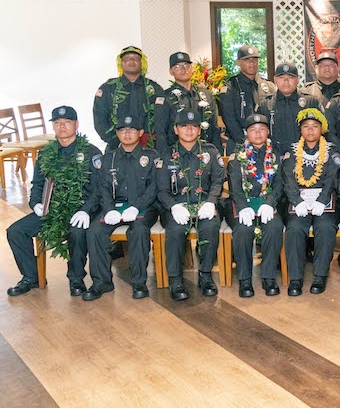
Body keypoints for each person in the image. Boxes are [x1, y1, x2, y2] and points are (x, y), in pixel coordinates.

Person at [6, 106, 102, 297]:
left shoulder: (91, 152)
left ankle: (76, 280)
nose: (62, 126)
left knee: (77, 232)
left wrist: (86, 210)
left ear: (76, 125)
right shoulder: (46, 153)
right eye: (57, 123)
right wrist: (36, 204)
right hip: (52, 209)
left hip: (81, 210)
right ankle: (31, 277)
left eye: (67, 122)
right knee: (15, 231)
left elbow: (99, 188)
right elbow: (38, 185)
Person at [83, 114, 160, 301]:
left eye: (132, 130)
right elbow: (103, 187)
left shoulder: (151, 156)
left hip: (145, 206)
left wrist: (136, 207)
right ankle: (102, 282)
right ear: (117, 133)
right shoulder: (108, 158)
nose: (127, 134)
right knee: (94, 231)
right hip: (114, 206)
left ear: (140, 132)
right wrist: (109, 209)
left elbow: (154, 187)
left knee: (139, 230)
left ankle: (139, 282)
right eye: (122, 130)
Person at [157, 111, 226, 300]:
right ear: (175, 129)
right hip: (176, 207)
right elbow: (161, 189)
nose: (189, 130)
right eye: (184, 126)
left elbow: (218, 181)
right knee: (176, 230)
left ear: (199, 130)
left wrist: (211, 202)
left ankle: (205, 275)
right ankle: (176, 279)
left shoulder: (210, 152)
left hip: (204, 205)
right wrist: (173, 206)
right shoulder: (167, 154)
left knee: (211, 226)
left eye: (194, 126)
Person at [281, 109, 340, 295]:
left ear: (322, 129)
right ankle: (296, 278)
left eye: (315, 127)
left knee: (324, 227)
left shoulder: (332, 152)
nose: (310, 130)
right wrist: (297, 201)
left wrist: (321, 201)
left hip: (326, 201)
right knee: (294, 229)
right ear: (300, 130)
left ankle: (319, 276)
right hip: (298, 202)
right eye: (306, 127)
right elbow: (288, 180)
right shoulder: (291, 153)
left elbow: (333, 180)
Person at [228, 114, 284, 297]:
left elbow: (279, 184)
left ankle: (269, 277)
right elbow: (235, 186)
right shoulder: (238, 156)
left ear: (268, 131)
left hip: (268, 203)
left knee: (274, 227)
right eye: (253, 129)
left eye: (262, 129)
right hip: (244, 203)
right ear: (246, 133)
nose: (258, 133)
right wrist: (243, 206)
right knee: (243, 230)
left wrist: (270, 203)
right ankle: (245, 280)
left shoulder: (276, 155)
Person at [93, 46, 170, 153]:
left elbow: (163, 120)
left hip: (149, 149)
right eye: (127, 58)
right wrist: (117, 141)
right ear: (121, 63)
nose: (131, 61)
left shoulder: (154, 89)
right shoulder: (108, 88)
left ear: (142, 62)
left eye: (135, 58)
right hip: (116, 149)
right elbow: (99, 119)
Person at [220, 44, 276, 153]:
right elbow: (229, 118)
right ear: (238, 62)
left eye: (254, 59)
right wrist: (244, 141)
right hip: (239, 143)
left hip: (266, 144)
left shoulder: (269, 87)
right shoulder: (231, 87)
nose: (252, 63)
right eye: (246, 60)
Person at [256, 63, 320, 156]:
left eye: (290, 77)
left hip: (305, 156)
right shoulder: (265, 104)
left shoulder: (311, 102)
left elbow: (322, 131)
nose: (286, 81)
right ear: (275, 80)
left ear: (297, 80)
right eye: (281, 77)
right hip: (273, 158)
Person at [164, 51, 222, 149]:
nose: (184, 69)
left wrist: (217, 154)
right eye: (178, 66)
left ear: (192, 68)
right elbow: (162, 132)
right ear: (171, 71)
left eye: (187, 65)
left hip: (205, 152)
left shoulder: (206, 95)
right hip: (176, 154)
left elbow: (214, 128)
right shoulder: (166, 97)